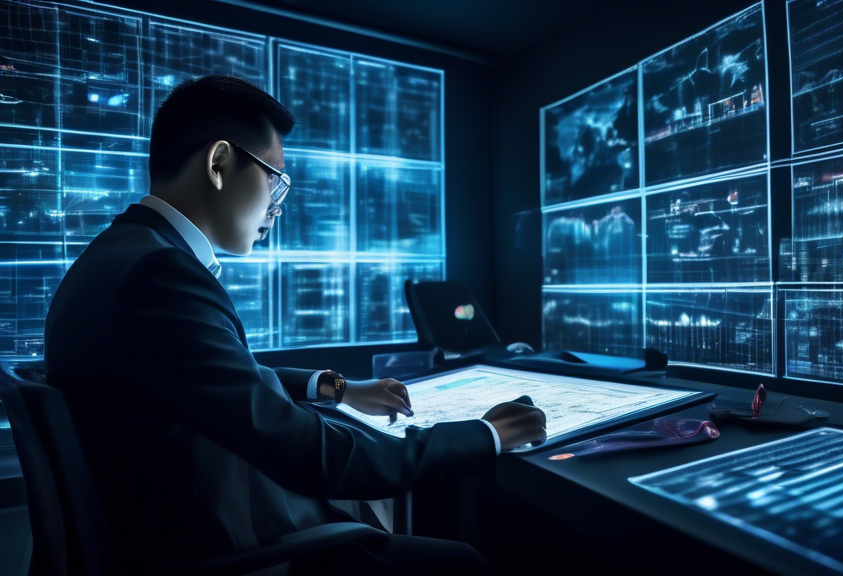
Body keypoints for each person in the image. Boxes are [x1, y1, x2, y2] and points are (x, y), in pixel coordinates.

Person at [44, 75, 547, 574]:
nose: (277, 206)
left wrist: (336, 388)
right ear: (219, 164)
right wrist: (485, 434)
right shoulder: (159, 274)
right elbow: (307, 454)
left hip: (169, 530)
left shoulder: (125, 255)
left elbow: (216, 377)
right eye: (274, 178)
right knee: (461, 564)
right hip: (213, 552)